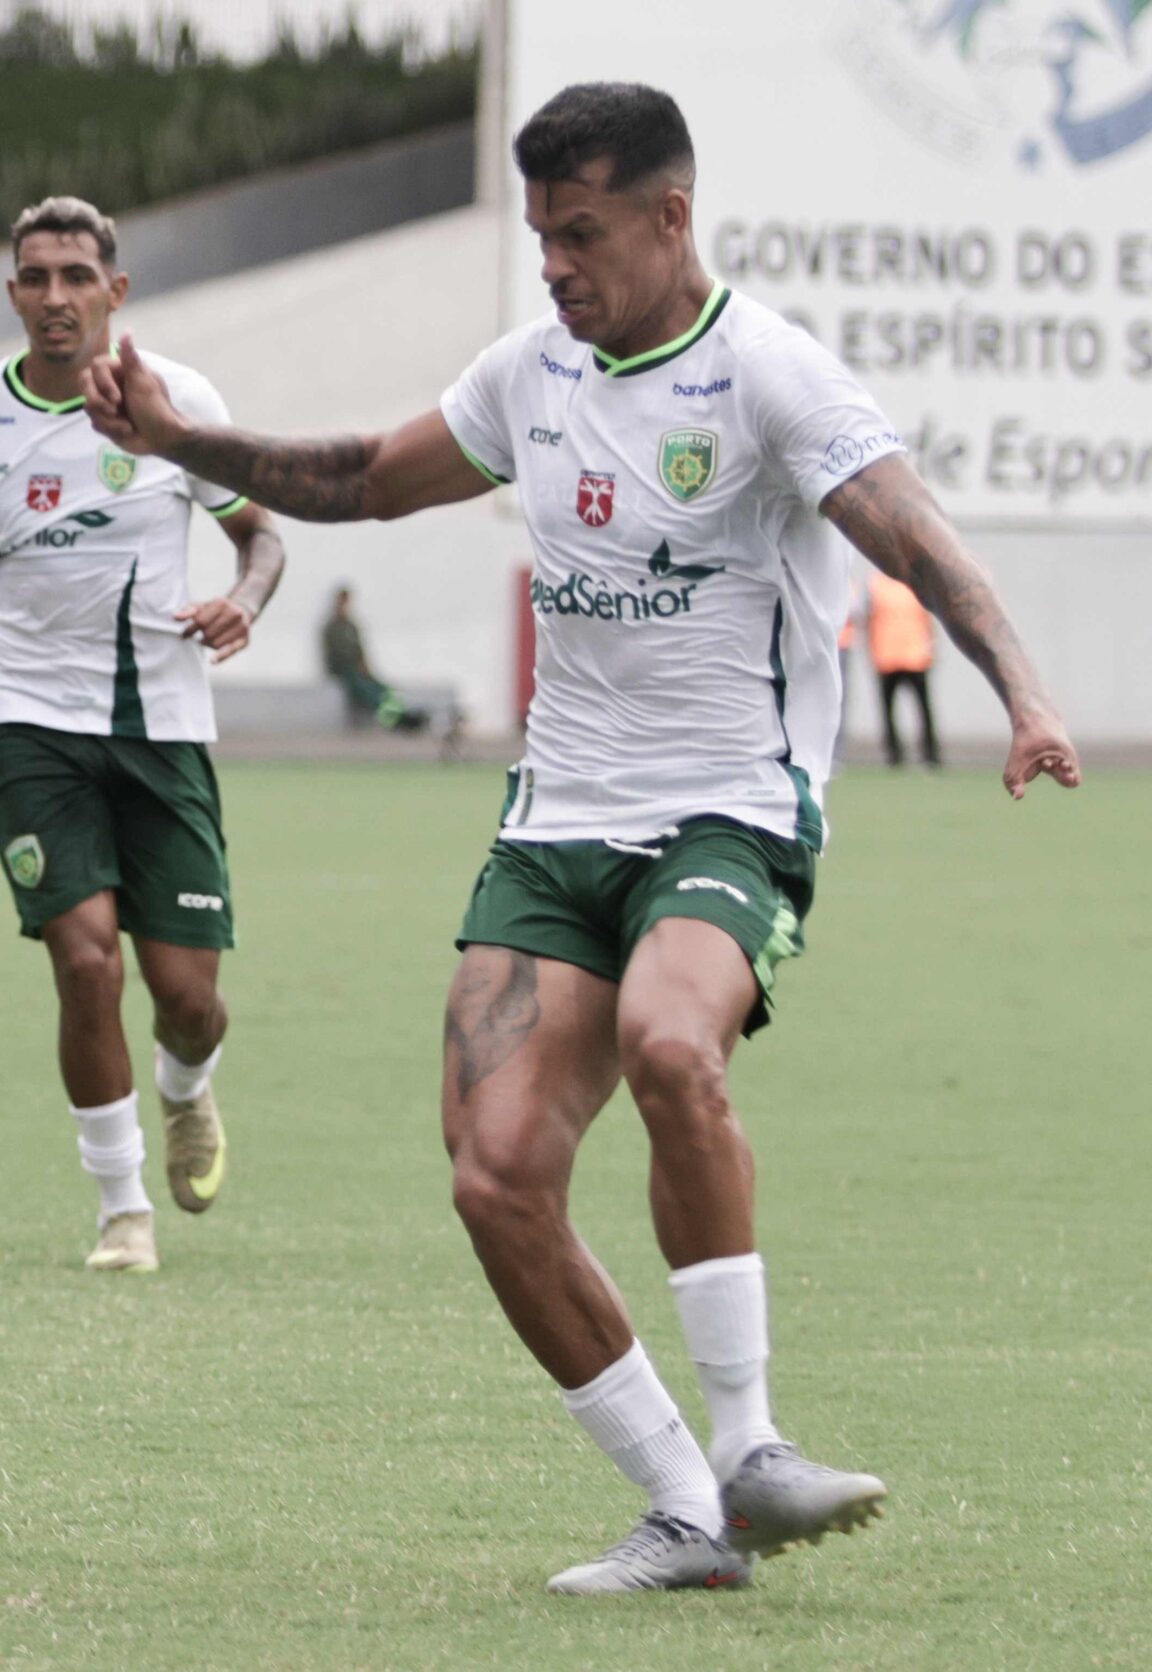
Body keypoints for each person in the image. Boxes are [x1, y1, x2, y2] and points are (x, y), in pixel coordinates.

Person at [85, 83, 1079, 1592]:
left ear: (671, 218)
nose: (554, 261)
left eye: (584, 232)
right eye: (543, 232)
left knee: (681, 1046)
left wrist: (1022, 692)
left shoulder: (765, 374)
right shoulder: (529, 376)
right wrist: (182, 439)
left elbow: (912, 532)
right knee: (493, 1177)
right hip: (556, 832)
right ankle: (685, 1511)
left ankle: (751, 1447)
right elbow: (359, 479)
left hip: (728, 810)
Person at [0, 196, 285, 1274]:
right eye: (37, 277)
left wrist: (244, 598)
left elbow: (260, 537)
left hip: (161, 727)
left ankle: (187, 1087)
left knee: (189, 998)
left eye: (78, 275)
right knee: (82, 961)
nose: (56, 296)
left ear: (115, 291)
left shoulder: (176, 402)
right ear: (14, 294)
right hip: (29, 725)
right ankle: (123, 1210)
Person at [319, 584, 428, 731]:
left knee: (382, 689)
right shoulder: (332, 627)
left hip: (359, 669)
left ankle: (402, 714)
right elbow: (334, 654)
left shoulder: (352, 626)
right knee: (368, 693)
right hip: (344, 671)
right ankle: (395, 721)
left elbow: (361, 649)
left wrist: (364, 666)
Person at [867, 569, 940, 767]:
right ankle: (894, 755)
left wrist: (931, 648)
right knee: (888, 710)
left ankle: (930, 754)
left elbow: (928, 620)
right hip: (887, 656)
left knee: (923, 709)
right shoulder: (877, 584)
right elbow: (869, 618)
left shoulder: (917, 583)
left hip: (915, 656)